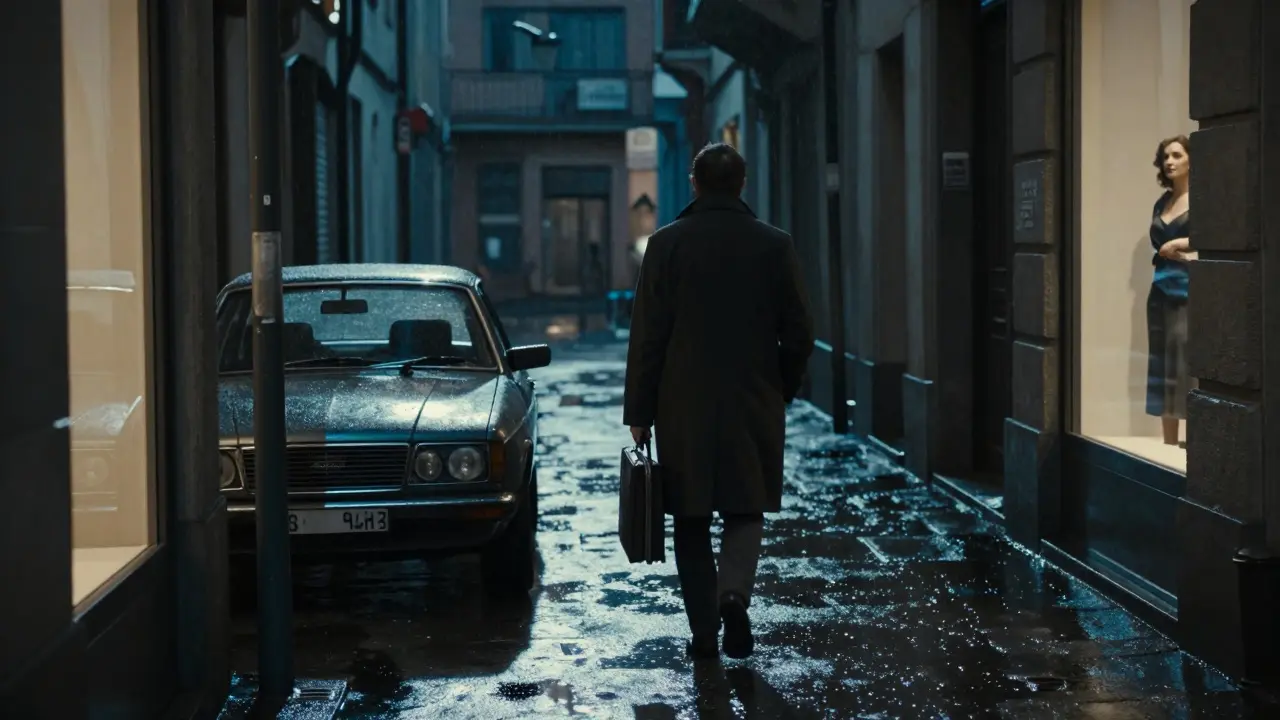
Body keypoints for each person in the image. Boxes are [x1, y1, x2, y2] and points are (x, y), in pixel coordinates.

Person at [622, 143, 815, 660]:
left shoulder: (665, 245)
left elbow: (648, 337)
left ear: (694, 183)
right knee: (745, 507)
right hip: (754, 398)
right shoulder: (774, 246)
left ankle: (704, 632)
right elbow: (799, 332)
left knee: (690, 518)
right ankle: (734, 594)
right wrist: (783, 387)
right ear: (743, 183)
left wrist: (639, 414)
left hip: (681, 404)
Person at [1146, 135, 1195, 448]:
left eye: (1177, 155)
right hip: (1160, 290)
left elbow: (1215, 236)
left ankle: (1193, 444)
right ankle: (1167, 444)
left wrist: (1178, 244)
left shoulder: (1202, 199)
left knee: (1185, 362)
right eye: (1166, 156)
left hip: (1188, 289)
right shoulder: (1161, 202)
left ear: (1192, 159)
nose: (1170, 161)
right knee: (1161, 362)